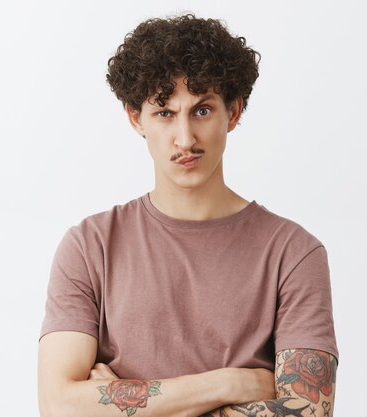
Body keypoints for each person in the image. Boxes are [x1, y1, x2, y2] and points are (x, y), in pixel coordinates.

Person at [37, 13, 338, 417]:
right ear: (135, 118)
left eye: (202, 111)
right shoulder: (90, 246)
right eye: (164, 113)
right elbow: (58, 406)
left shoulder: (294, 253)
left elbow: (306, 413)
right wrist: (228, 383)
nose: (185, 139)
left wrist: (123, 402)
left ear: (233, 113)